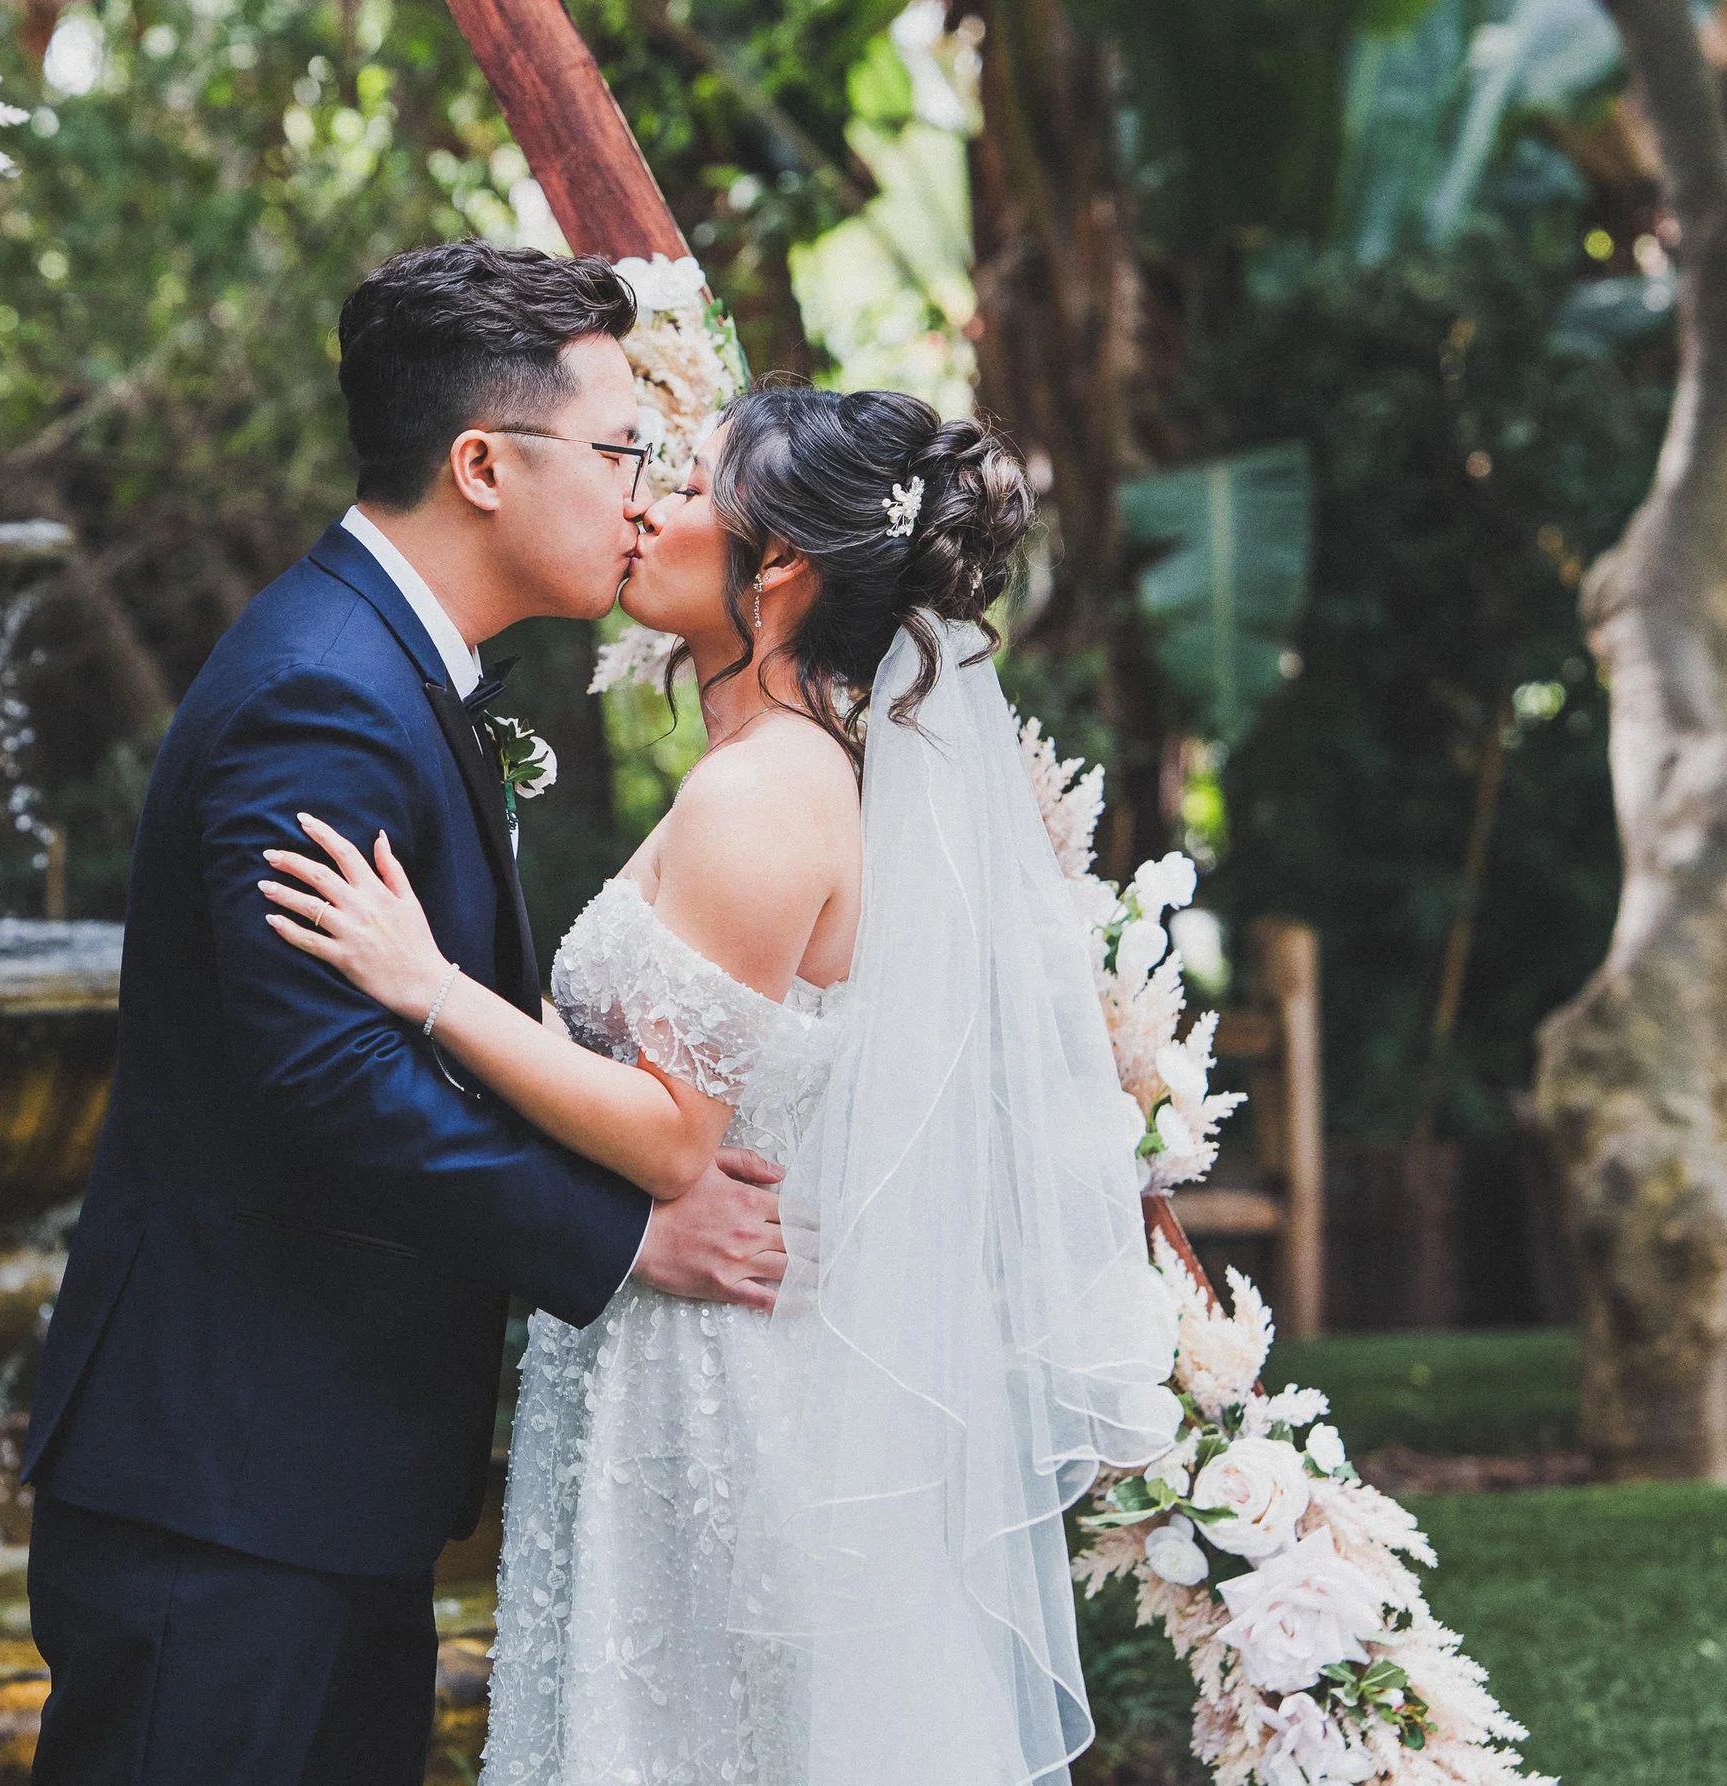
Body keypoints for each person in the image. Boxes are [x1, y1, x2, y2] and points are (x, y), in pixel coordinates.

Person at [266, 385, 1184, 1785]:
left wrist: (430, 986)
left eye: (686, 491)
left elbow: (674, 1135)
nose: (642, 508)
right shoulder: (774, 767)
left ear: (782, 566)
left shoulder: (761, 797)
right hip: (685, 1346)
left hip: (715, 1380)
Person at [18, 241, 791, 1786]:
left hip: (318, 1468)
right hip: (222, 1479)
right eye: (620, 448)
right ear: (484, 463)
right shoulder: (321, 693)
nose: (643, 490)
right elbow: (334, 1080)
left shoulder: (389, 669)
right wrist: (627, 1233)